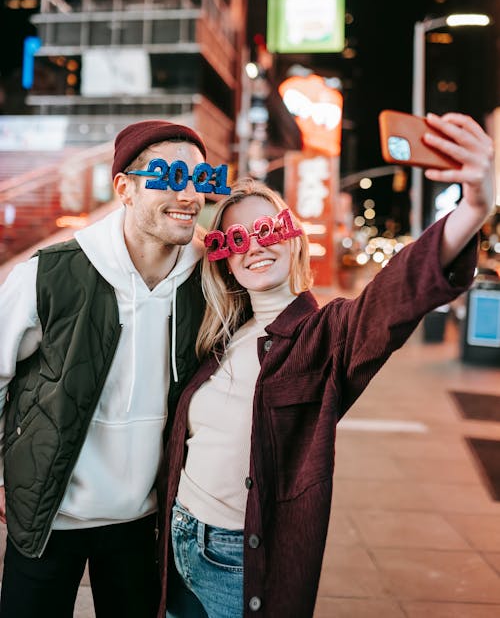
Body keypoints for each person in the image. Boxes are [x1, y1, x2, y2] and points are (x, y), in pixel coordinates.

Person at [156, 112, 496, 618]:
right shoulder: (218, 335)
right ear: (224, 259)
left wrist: (475, 206)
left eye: (269, 229)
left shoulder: (326, 335)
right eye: (238, 239)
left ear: (293, 239)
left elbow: (392, 299)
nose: (257, 247)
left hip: (236, 562)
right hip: (176, 542)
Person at [0, 119, 210, 618]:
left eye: (200, 180)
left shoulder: (209, 281)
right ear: (125, 188)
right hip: (50, 512)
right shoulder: (49, 272)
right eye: (167, 176)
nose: (189, 194)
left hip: (146, 517)